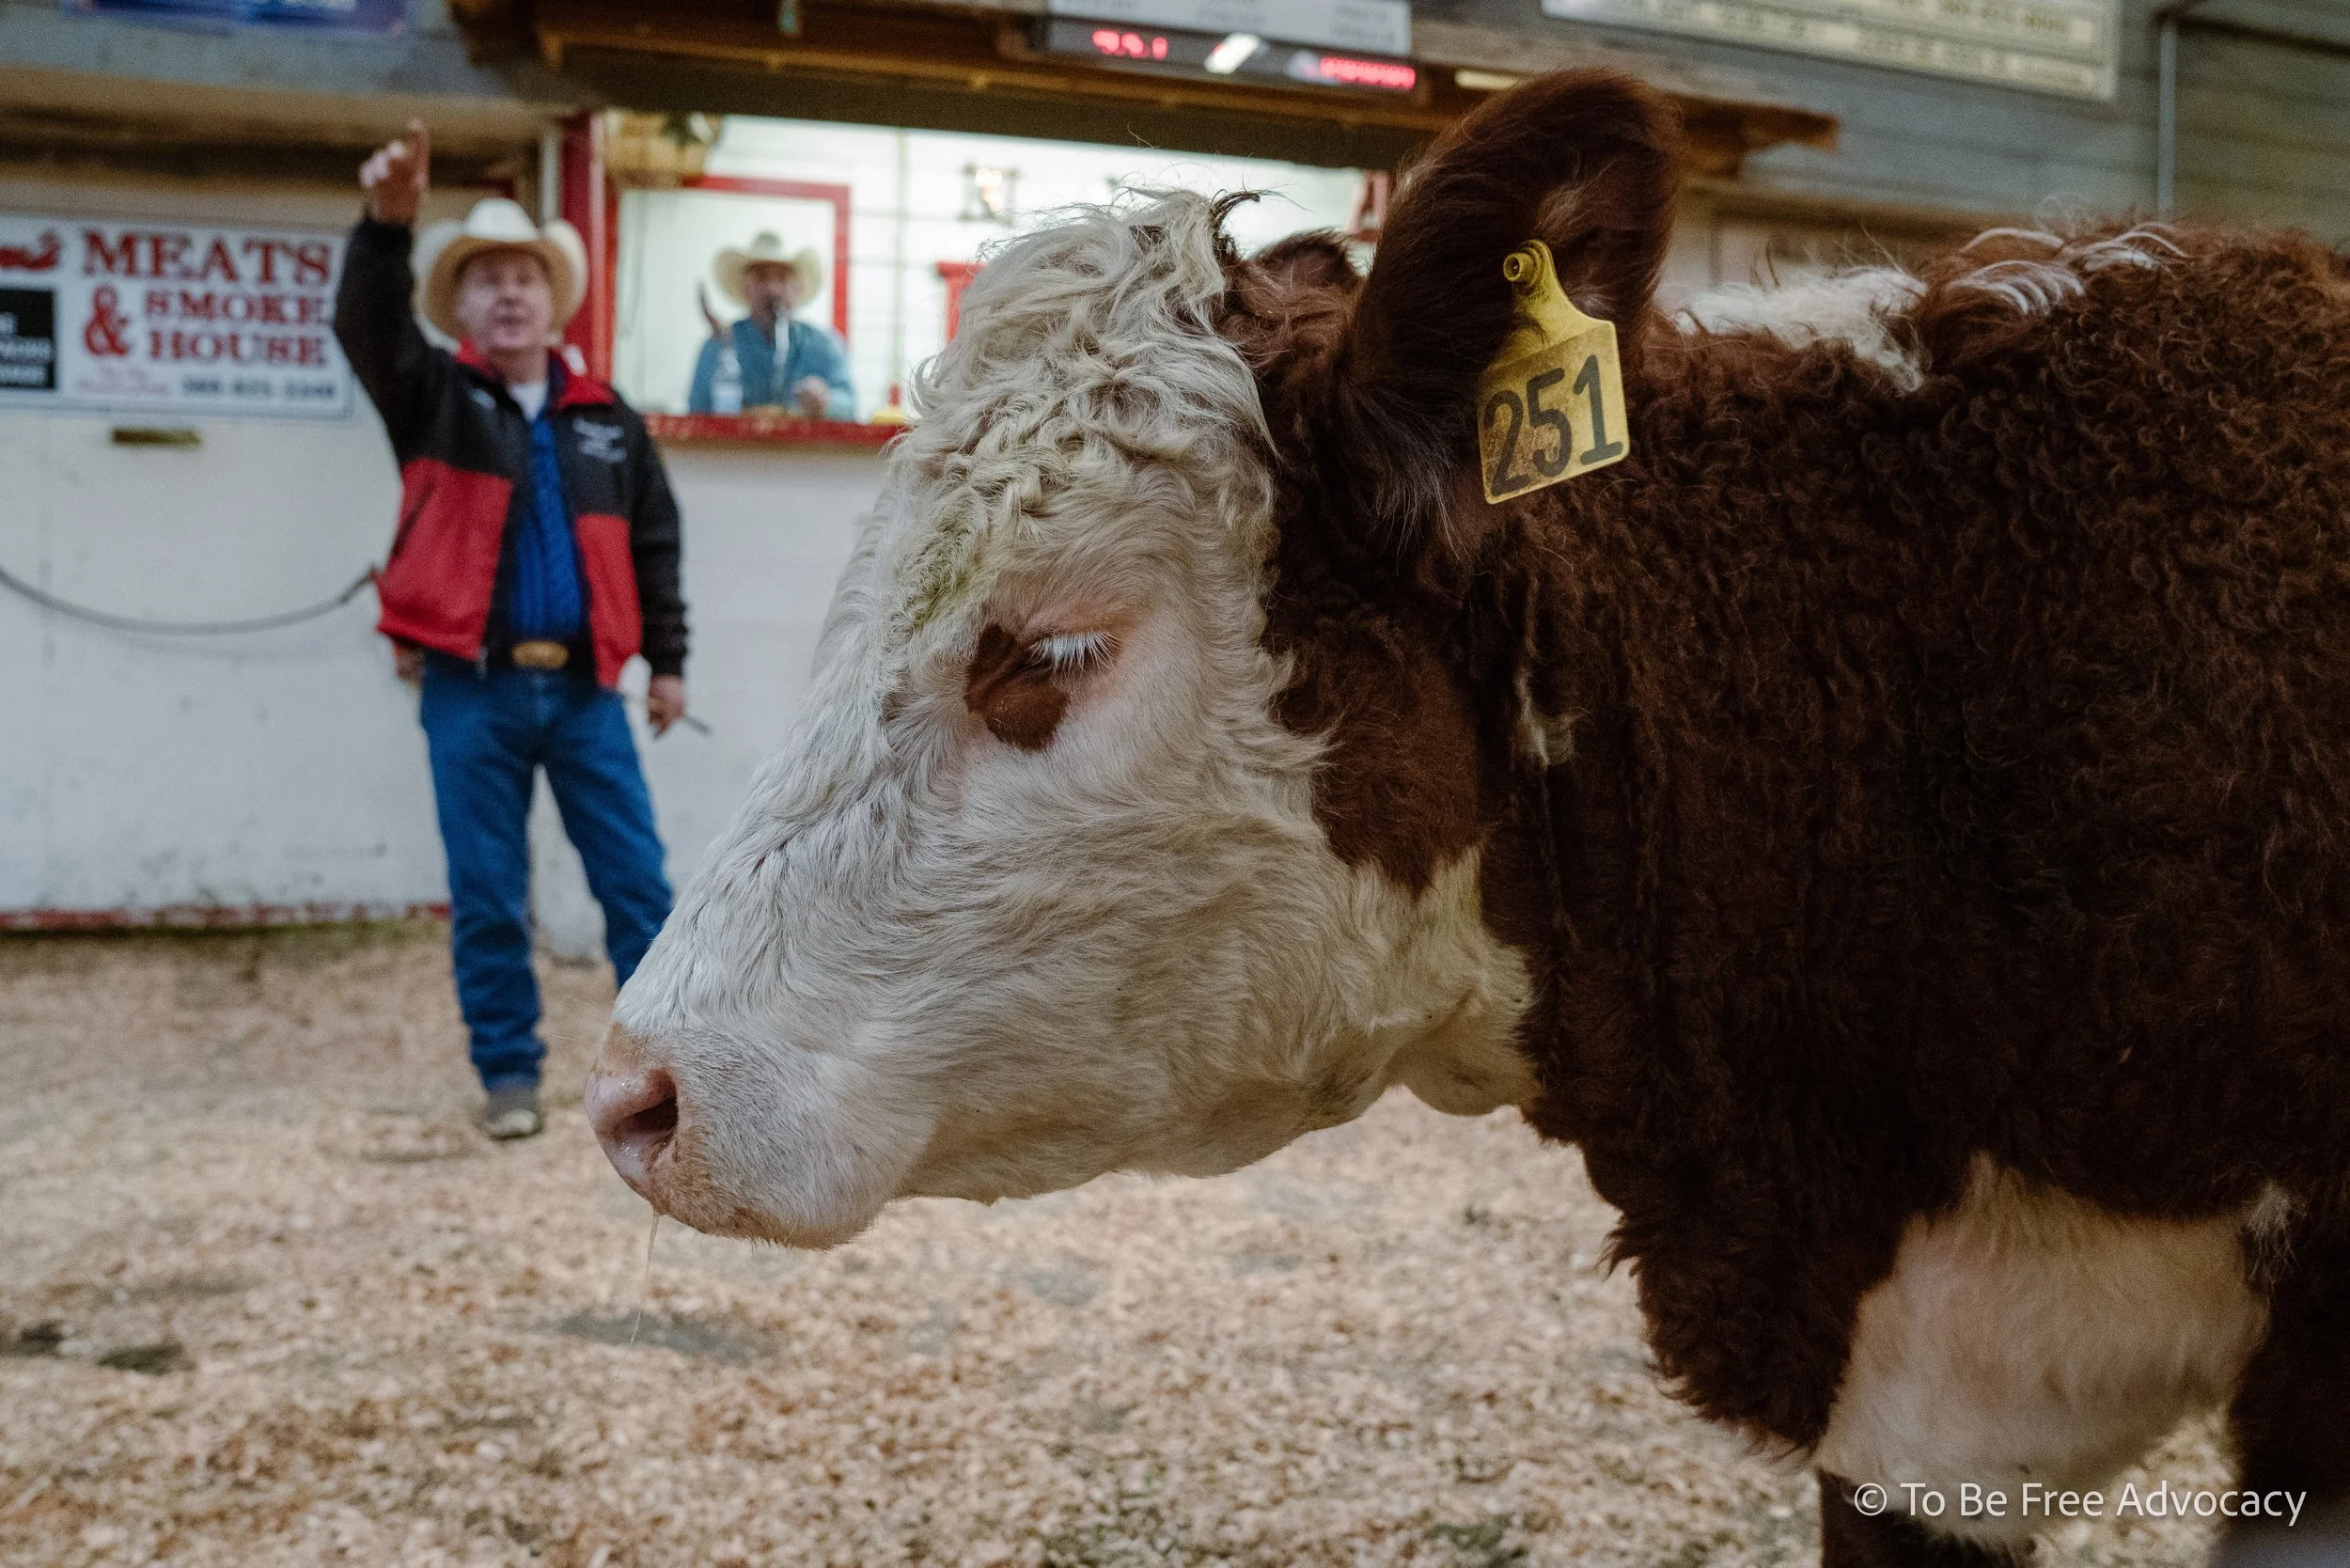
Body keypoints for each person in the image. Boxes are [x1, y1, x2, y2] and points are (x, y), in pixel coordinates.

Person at [336, 120, 690, 1141]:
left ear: (550, 296)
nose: (507, 292)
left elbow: (655, 545)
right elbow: (366, 323)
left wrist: (668, 664)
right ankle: (508, 1074)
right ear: (464, 304)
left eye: (523, 276)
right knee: (488, 893)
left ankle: (671, 1069)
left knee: (638, 886)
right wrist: (385, 225)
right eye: (486, 278)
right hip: (469, 686)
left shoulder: (606, 418)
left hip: (587, 693)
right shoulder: (429, 395)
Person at [686, 231, 854, 417]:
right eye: (761, 278)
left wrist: (826, 401)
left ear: (798, 290)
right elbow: (697, 412)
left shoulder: (823, 344)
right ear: (745, 289)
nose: (772, 290)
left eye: (782, 279)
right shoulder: (719, 346)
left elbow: (850, 406)